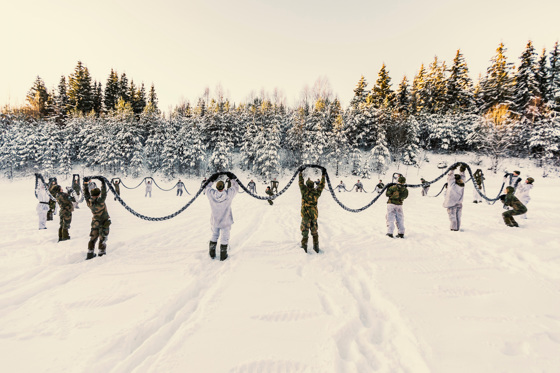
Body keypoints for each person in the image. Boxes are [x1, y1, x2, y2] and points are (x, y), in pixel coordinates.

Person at [206, 173, 239, 261]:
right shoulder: (229, 194)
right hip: (226, 221)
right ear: (224, 187)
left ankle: (212, 253)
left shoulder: (211, 194)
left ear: (216, 187)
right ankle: (223, 256)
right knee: (225, 237)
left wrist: (212, 179)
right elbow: (236, 188)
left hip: (215, 220)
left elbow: (206, 187)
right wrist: (232, 178)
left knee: (214, 235)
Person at [298, 169, 326, 253]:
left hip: (306, 215)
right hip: (314, 215)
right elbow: (321, 185)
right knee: (314, 232)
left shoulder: (304, 191)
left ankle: (304, 248)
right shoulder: (316, 192)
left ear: (307, 185)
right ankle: (316, 248)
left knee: (305, 232)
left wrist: (300, 173)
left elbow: (300, 183)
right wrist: (323, 175)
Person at [83, 178, 111, 260]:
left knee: (93, 238)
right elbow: (104, 193)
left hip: (95, 222)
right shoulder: (101, 201)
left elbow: (86, 194)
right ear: (98, 194)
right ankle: (101, 254)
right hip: (104, 222)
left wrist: (85, 183)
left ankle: (90, 253)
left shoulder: (89, 202)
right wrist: (103, 182)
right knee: (103, 238)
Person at [443, 163, 466, 231]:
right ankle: (457, 229)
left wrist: (452, 170)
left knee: (453, 219)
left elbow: (450, 178)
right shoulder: (462, 184)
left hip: (451, 204)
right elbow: (463, 177)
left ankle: (453, 230)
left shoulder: (452, 185)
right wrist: (462, 171)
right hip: (459, 204)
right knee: (458, 218)